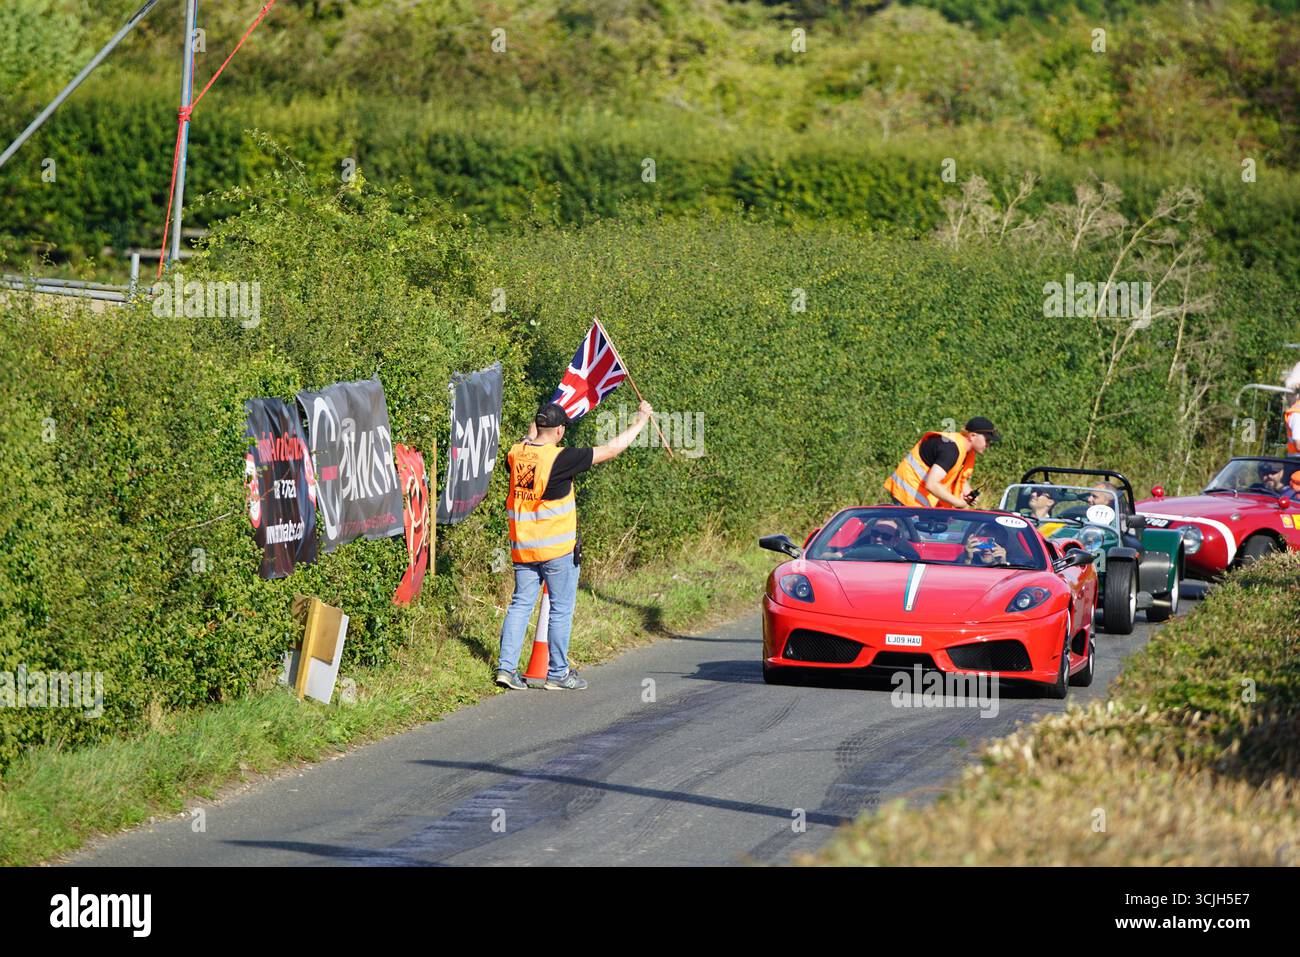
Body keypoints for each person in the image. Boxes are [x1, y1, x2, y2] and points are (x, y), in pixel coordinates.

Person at [495, 399, 654, 691]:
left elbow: (529, 439)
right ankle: (558, 672)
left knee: (520, 605)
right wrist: (641, 420)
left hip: (523, 548)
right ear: (559, 431)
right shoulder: (562, 458)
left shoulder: (516, 453)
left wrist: (534, 433)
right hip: (556, 551)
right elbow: (611, 449)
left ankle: (506, 669)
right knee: (560, 609)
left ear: (538, 426)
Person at [883, 417, 1001, 509]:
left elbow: (957, 475)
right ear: (972, 436)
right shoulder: (951, 449)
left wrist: (966, 491)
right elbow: (931, 484)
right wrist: (959, 502)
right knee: (911, 537)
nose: (988, 444)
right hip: (908, 493)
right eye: (987, 440)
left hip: (919, 497)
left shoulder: (964, 450)